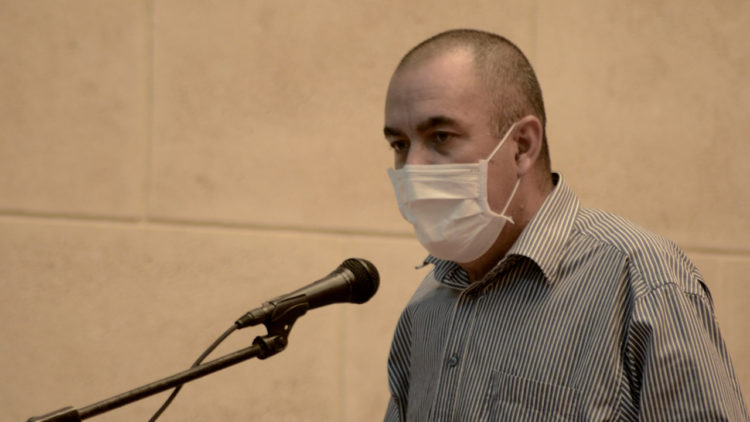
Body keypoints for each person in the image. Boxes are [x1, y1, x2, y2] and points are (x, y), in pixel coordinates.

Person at [382, 29, 748, 421]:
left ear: (522, 145)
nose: (412, 167)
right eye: (400, 144)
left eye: (440, 137)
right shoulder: (428, 305)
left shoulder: (642, 279)